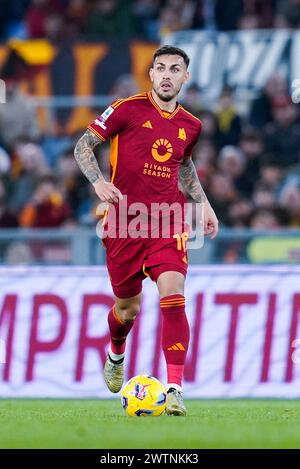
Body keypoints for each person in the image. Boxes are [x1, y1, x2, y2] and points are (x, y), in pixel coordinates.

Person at [74, 45, 218, 416]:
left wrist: (202, 204)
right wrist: (98, 182)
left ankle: (174, 389)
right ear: (151, 74)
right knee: (128, 309)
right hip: (123, 222)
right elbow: (83, 146)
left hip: (167, 221)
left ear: (185, 77)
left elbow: (183, 166)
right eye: (161, 69)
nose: (167, 75)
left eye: (175, 69)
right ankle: (116, 351)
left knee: (174, 294)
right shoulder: (126, 109)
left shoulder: (191, 125)